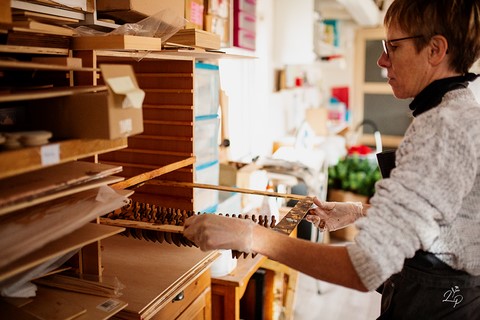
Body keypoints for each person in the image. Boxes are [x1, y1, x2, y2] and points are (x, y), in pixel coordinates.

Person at [184, 0, 480, 318]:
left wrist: (254, 236)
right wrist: (358, 212)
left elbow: (363, 268)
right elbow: (444, 220)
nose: (382, 60)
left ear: (435, 50)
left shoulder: (443, 128)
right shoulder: (457, 111)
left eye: (393, 46)